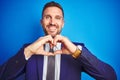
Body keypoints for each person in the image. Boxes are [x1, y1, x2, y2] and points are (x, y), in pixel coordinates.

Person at [0, 1, 117, 80]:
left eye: (57, 18)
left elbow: (110, 77)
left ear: (63, 23)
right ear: (42, 23)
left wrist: (77, 52)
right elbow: (3, 76)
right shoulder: (28, 48)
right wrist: (28, 51)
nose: (52, 22)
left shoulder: (76, 50)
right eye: (47, 17)